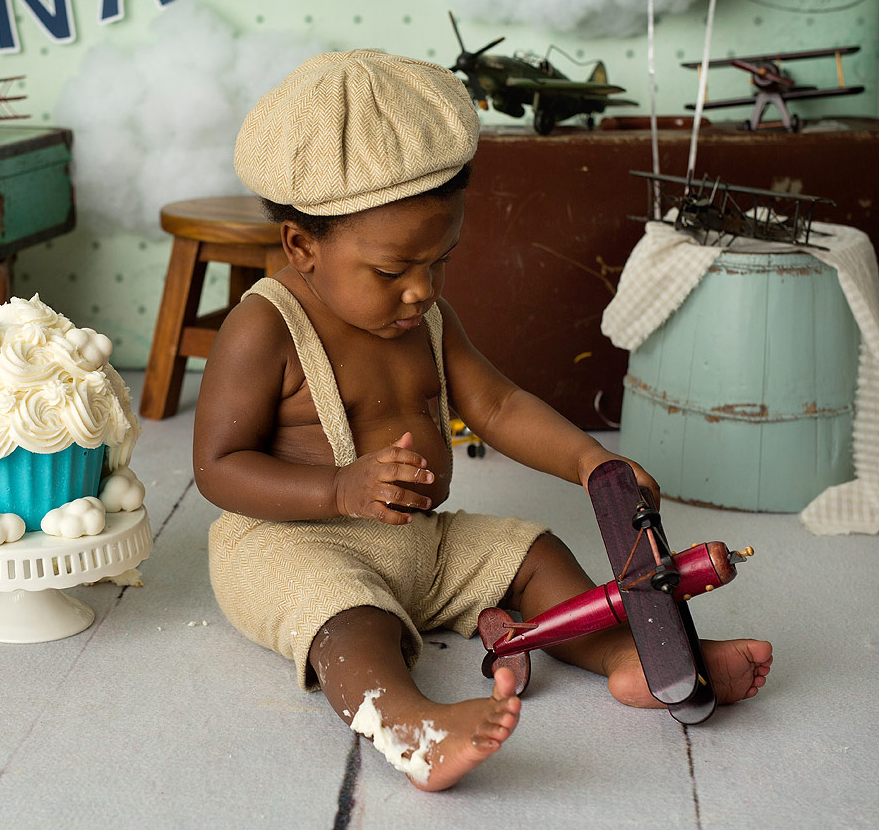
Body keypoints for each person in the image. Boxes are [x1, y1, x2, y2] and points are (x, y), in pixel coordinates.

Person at [192, 50, 772, 792]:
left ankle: (632, 655)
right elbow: (216, 467)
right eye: (391, 270)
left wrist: (589, 462)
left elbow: (497, 404)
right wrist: (338, 488)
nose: (420, 291)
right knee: (347, 614)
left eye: (441, 262)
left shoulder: (428, 316)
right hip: (293, 541)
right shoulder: (263, 328)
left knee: (532, 550)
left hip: (418, 543)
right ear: (303, 246)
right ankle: (409, 723)